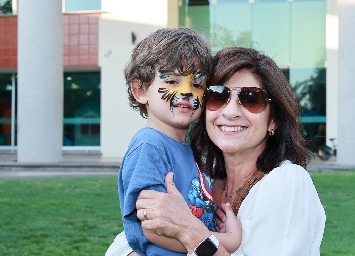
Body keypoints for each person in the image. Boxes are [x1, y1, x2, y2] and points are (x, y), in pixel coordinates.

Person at [134, 46, 326, 255]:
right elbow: (126, 242)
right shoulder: (199, 179)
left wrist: (190, 231)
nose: (231, 112)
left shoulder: (287, 181)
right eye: (217, 96)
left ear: (274, 120)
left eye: (251, 99)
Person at [106, 28, 241, 256]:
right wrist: (228, 240)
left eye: (197, 85)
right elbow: (154, 229)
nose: (186, 92)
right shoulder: (149, 145)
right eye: (171, 81)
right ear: (140, 91)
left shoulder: (189, 150)